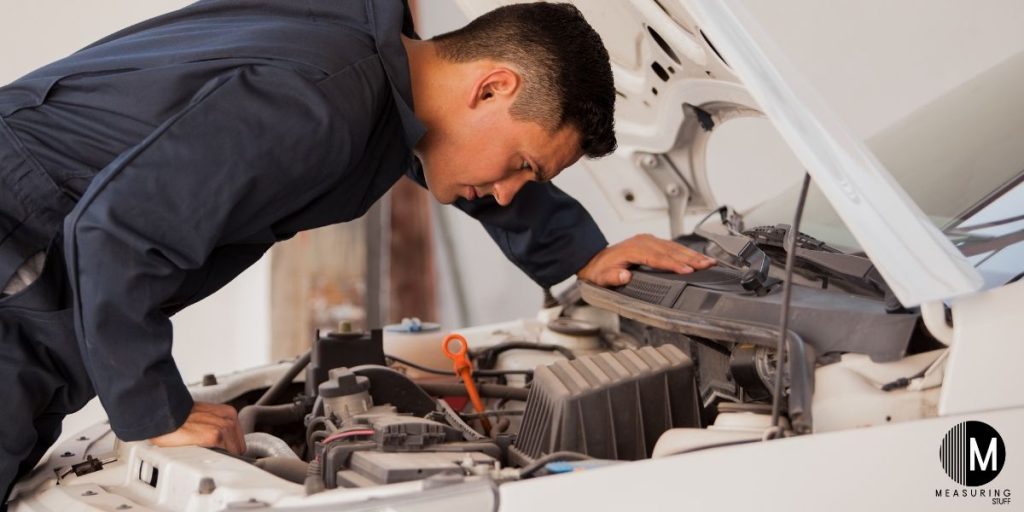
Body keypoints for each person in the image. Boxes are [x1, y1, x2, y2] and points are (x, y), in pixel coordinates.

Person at [0, 0, 715, 501]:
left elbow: (443, 152)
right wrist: (153, 408)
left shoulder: (372, 58)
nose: (506, 191)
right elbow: (119, 229)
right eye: (524, 162)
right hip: (19, 246)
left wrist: (576, 257)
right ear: (493, 84)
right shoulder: (321, 102)